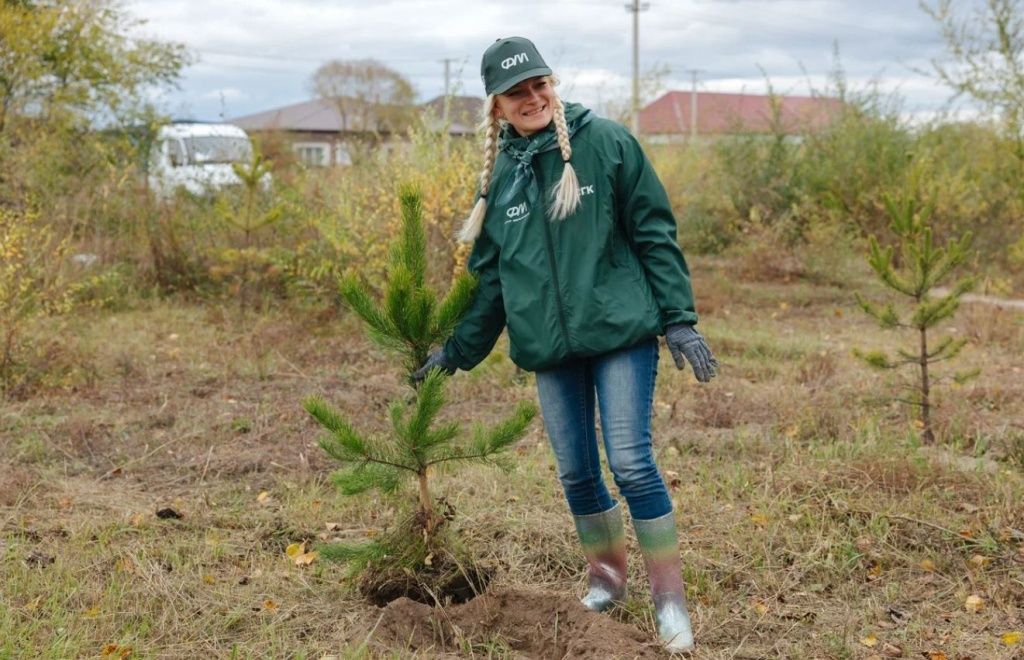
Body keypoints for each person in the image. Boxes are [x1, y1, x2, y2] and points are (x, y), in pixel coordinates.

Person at [412, 36, 717, 654]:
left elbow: (653, 232)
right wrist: (456, 352)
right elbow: (491, 281)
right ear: (496, 106)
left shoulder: (606, 142)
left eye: (539, 85)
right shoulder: (502, 177)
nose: (532, 99)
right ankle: (607, 582)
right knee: (576, 471)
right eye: (516, 93)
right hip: (549, 346)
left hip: (620, 332)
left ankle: (670, 603)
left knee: (631, 463)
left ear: (552, 84)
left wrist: (678, 318)